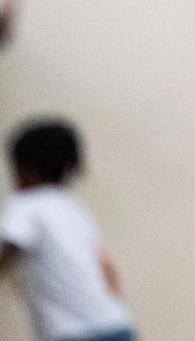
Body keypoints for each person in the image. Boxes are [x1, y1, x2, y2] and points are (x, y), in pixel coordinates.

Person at [0, 119, 134, 341]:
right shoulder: (73, 208)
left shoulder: (27, 204)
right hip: (115, 323)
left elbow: (7, 251)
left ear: (27, 169)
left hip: (73, 332)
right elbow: (106, 267)